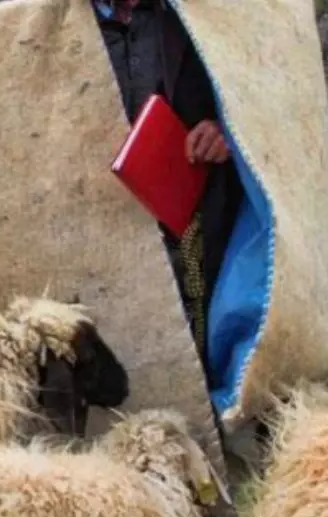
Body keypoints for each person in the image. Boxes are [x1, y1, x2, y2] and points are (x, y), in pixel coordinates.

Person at [92, 0, 244, 379]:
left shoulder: (201, 15)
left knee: (199, 344)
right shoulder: (57, 27)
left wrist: (227, 129)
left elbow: (256, 91)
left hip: (196, 215)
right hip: (101, 222)